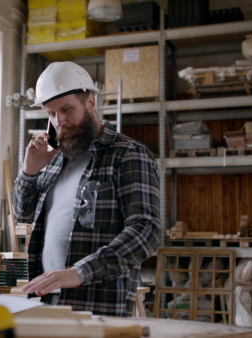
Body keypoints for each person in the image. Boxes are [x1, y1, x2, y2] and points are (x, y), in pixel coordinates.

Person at [12, 61, 161, 317]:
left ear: (90, 103)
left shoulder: (128, 155)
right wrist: (29, 172)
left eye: (66, 109)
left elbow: (146, 231)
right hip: (45, 299)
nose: (60, 121)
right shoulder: (54, 160)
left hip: (97, 303)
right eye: (51, 113)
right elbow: (21, 215)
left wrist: (80, 272)